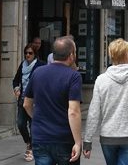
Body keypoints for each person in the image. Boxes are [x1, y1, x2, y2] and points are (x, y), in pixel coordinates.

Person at [83, 39, 128, 165]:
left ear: (111, 56)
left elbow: (94, 112)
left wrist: (87, 141)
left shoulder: (101, 80)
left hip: (108, 136)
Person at [24, 36, 83, 165]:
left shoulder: (38, 72)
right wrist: (78, 142)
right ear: (71, 55)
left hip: (40, 137)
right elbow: (73, 112)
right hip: (64, 138)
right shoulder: (73, 76)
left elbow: (26, 104)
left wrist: (38, 118)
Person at [13, 38, 46, 162]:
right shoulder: (22, 65)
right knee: (21, 124)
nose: (27, 55)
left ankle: (30, 149)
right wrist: (16, 88)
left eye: (30, 53)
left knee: (33, 126)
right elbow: (16, 80)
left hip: (36, 101)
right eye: (26, 53)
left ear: (35, 54)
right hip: (22, 100)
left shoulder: (41, 65)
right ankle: (28, 142)